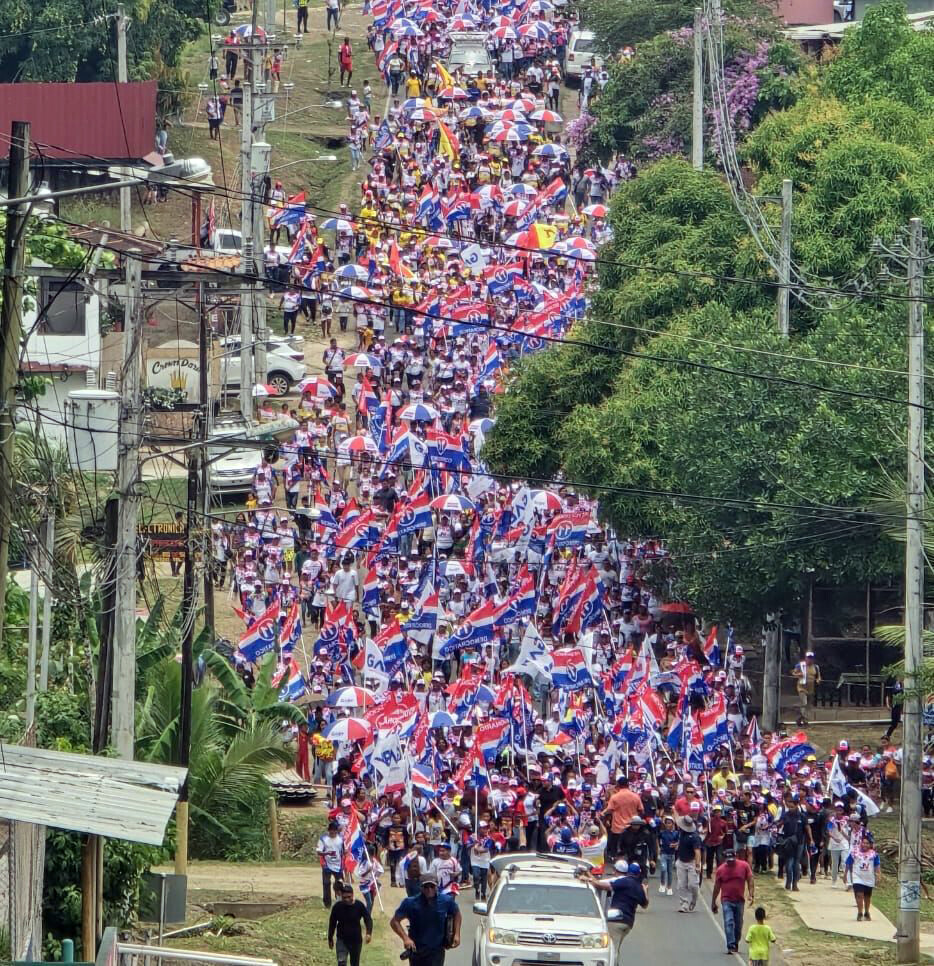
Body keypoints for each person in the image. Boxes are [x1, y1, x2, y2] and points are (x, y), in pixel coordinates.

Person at [390, 872, 461, 966]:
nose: (429, 890)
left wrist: (457, 934)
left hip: (437, 950)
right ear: (421, 887)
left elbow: (457, 914)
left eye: (432, 886)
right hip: (416, 950)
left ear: (437, 887)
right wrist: (405, 938)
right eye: (426, 887)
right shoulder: (410, 903)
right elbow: (394, 921)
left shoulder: (446, 901)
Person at [583, 861, 647, 955]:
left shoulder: (624, 881)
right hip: (628, 923)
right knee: (616, 948)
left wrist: (587, 879)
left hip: (616, 920)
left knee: (612, 950)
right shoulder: (639, 887)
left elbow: (604, 885)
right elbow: (645, 904)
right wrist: (645, 890)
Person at [711, 848, 754, 955]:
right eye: (728, 860)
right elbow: (717, 886)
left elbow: (750, 879)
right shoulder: (721, 870)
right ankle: (730, 945)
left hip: (739, 900)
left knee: (738, 924)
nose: (730, 862)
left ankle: (735, 941)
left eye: (732, 859)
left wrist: (751, 894)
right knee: (728, 921)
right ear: (725, 859)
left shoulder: (744, 866)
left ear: (736, 857)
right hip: (726, 900)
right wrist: (713, 902)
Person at [328, 884, 373, 966]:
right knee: (341, 962)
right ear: (341, 896)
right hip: (342, 940)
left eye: (349, 897)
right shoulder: (337, 907)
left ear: (352, 894)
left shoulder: (359, 906)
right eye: (344, 897)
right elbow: (332, 923)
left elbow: (368, 919)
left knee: (355, 963)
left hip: (356, 941)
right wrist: (330, 938)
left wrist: (368, 933)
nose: (347, 899)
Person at [601, 777, 643, 859]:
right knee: (631, 851)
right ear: (628, 785)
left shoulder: (615, 797)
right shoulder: (636, 796)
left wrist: (602, 814)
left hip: (617, 828)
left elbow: (609, 810)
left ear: (618, 785)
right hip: (632, 828)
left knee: (618, 853)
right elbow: (641, 810)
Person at [845, 837, 882, 921]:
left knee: (867, 896)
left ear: (870, 845)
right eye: (863, 843)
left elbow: (877, 865)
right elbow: (848, 863)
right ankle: (859, 912)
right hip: (857, 877)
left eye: (867, 843)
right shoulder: (854, 852)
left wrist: (879, 874)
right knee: (859, 894)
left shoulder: (874, 854)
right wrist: (845, 874)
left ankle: (867, 911)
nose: (865, 845)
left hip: (869, 878)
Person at [674, 815, 702, 913]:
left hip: (692, 862)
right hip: (681, 861)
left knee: (693, 885)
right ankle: (684, 904)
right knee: (681, 884)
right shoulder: (681, 833)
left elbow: (697, 851)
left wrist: (698, 865)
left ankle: (694, 900)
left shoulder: (695, 837)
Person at [318, 820, 346, 907]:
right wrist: (327, 853)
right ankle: (327, 903)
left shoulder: (341, 839)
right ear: (329, 830)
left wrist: (346, 853)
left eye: (335, 830)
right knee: (326, 883)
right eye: (331, 830)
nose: (333, 832)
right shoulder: (323, 839)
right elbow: (319, 852)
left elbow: (344, 850)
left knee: (340, 884)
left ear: (337, 831)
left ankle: (340, 901)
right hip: (327, 865)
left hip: (338, 865)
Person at [792, 651, 821, 725]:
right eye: (808, 658)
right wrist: (798, 674)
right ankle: (805, 721)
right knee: (804, 703)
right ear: (806, 658)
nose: (810, 659)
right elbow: (793, 673)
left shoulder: (816, 667)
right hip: (801, 687)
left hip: (811, 688)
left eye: (811, 658)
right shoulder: (800, 665)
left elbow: (818, 676)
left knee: (808, 705)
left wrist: (818, 680)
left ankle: (799, 718)